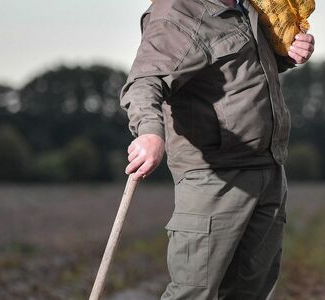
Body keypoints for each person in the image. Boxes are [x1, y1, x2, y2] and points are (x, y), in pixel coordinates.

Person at [119, 0, 314, 299]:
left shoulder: (247, 6)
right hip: (215, 179)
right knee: (193, 293)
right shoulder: (175, 13)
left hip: (268, 169)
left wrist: (288, 55)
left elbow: (246, 70)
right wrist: (149, 133)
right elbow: (145, 82)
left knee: (251, 293)